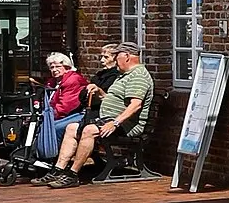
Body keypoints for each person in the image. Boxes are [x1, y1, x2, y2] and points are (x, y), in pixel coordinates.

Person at [48, 44, 152, 184]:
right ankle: (58, 170)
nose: (115, 60)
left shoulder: (138, 76)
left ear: (127, 56)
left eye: (117, 56)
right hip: (109, 119)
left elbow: (135, 105)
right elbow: (111, 97)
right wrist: (98, 91)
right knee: (71, 128)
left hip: (126, 125)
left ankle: (73, 174)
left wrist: (114, 123)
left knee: (89, 130)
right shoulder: (123, 75)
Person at [37, 52, 89, 165]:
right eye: (52, 67)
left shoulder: (72, 80)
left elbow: (65, 107)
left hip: (77, 114)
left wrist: (47, 117)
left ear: (67, 67)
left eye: (57, 66)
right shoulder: (52, 82)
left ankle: (52, 159)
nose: (54, 69)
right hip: (57, 114)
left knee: (53, 128)